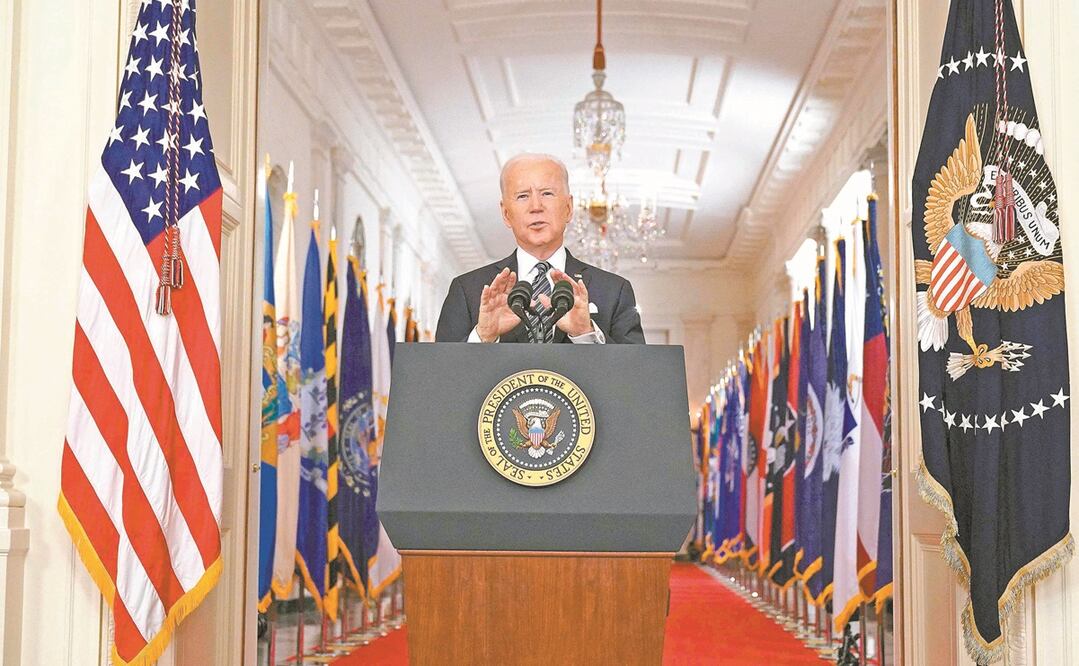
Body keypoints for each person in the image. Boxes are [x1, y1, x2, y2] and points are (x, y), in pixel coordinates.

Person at [435, 153, 645, 344]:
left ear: (569, 208)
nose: (536, 206)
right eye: (522, 196)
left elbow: (636, 376)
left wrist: (585, 334)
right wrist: (483, 336)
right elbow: (438, 374)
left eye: (547, 193)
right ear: (506, 214)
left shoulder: (614, 291)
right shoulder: (467, 290)